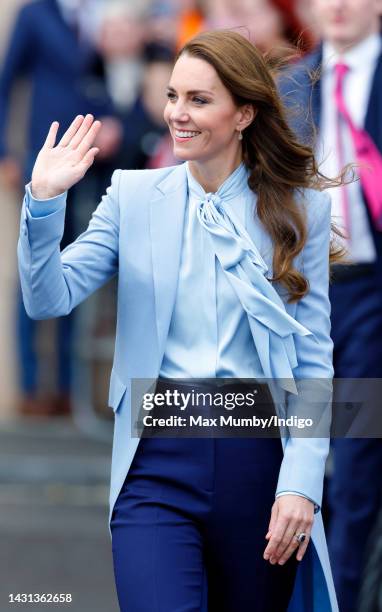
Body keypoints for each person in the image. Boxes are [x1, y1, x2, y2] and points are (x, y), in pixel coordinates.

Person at [18, 29, 340, 611]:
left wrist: (301, 483)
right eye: (172, 96)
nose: (177, 114)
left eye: (198, 99)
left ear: (244, 114)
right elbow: (49, 297)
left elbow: (314, 362)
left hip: (259, 462)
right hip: (155, 463)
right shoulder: (132, 196)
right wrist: (44, 202)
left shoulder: (302, 209)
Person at [278, 1, 382, 610]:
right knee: (296, 448)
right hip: (300, 291)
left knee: (357, 446)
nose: (339, 6)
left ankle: (339, 596)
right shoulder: (290, 86)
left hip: (369, 289)